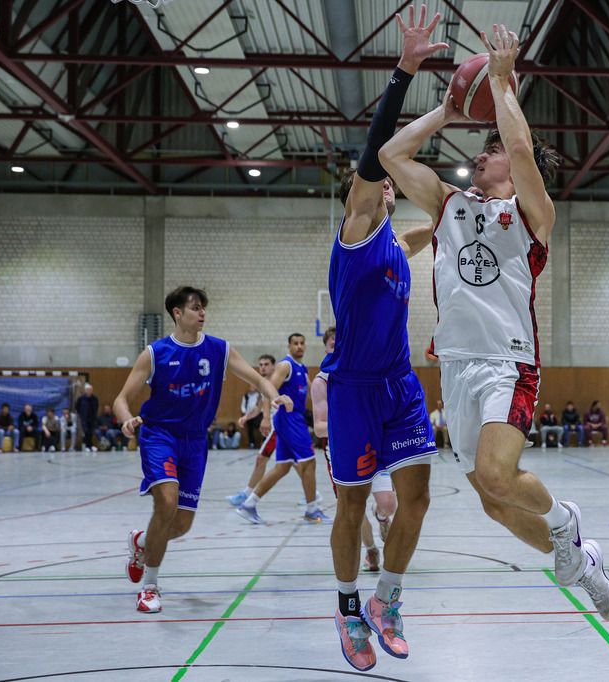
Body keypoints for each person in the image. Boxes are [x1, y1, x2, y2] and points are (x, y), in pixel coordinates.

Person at [381, 21, 609, 624]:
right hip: (456, 367)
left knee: (493, 473)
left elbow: (516, 149)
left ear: (514, 171)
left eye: (488, 150)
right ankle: (579, 560)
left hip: (508, 364)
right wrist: (444, 109)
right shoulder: (449, 205)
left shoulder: (533, 213)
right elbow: (390, 154)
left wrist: (503, 81)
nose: (479, 153)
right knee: (492, 501)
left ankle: (565, 523)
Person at [323, 9, 448, 670]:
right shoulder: (355, 234)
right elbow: (376, 154)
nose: (378, 185)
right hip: (351, 390)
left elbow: (438, 226)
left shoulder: (400, 244)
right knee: (349, 506)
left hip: (399, 385)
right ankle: (348, 611)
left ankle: (386, 601)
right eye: (371, 182)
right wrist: (406, 73)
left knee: (418, 498)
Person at [114, 285, 292, 614]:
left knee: (180, 525)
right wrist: (126, 420)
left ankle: (140, 542)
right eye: (195, 308)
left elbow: (258, 379)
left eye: (204, 308)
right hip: (160, 436)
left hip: (196, 442)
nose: (202, 313)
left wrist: (274, 395)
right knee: (166, 501)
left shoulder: (219, 350)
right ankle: (150, 587)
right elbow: (121, 399)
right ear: (177, 313)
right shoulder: (154, 353)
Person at [311, 327, 397, 575]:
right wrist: (354, 427)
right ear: (326, 349)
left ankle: (381, 517)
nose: (337, 349)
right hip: (341, 452)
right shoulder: (321, 382)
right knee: (353, 509)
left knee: (388, 505)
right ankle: (370, 549)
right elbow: (318, 428)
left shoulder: (366, 374)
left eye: (342, 344)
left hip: (372, 446)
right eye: (332, 345)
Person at [235, 333, 329, 525]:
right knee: (309, 463)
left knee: (282, 467)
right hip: (289, 418)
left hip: (294, 418)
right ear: (289, 346)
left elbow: (313, 393)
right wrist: (265, 419)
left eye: (302, 343)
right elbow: (267, 389)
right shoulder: (286, 365)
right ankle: (312, 511)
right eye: (295, 343)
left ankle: (249, 504)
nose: (300, 346)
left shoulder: (302, 368)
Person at [225, 354, 282, 506]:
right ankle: (313, 496)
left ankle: (247, 495)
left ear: (273, 366)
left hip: (279, 426)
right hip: (277, 427)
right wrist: (246, 417)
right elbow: (259, 407)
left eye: (266, 364)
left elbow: (272, 402)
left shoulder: (278, 380)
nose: (263, 367)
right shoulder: (264, 384)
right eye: (261, 364)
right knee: (293, 462)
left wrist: (266, 419)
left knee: (263, 459)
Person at [238, 381, 263, 449]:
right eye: (251, 385)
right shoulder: (246, 396)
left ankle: (261, 441)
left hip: (258, 414)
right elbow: (243, 405)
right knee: (250, 429)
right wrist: (245, 415)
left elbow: (259, 408)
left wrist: (257, 409)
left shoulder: (259, 396)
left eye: (253, 386)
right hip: (248, 414)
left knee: (259, 427)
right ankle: (252, 443)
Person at [76, 383, 99, 452]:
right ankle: (87, 445)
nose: (89, 391)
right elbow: (77, 407)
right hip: (84, 418)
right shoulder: (81, 399)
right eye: (88, 390)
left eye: (90, 389)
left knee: (90, 431)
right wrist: (81, 414)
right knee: (86, 431)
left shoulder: (94, 398)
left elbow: (96, 407)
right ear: (85, 390)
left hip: (92, 417)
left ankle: (91, 445)